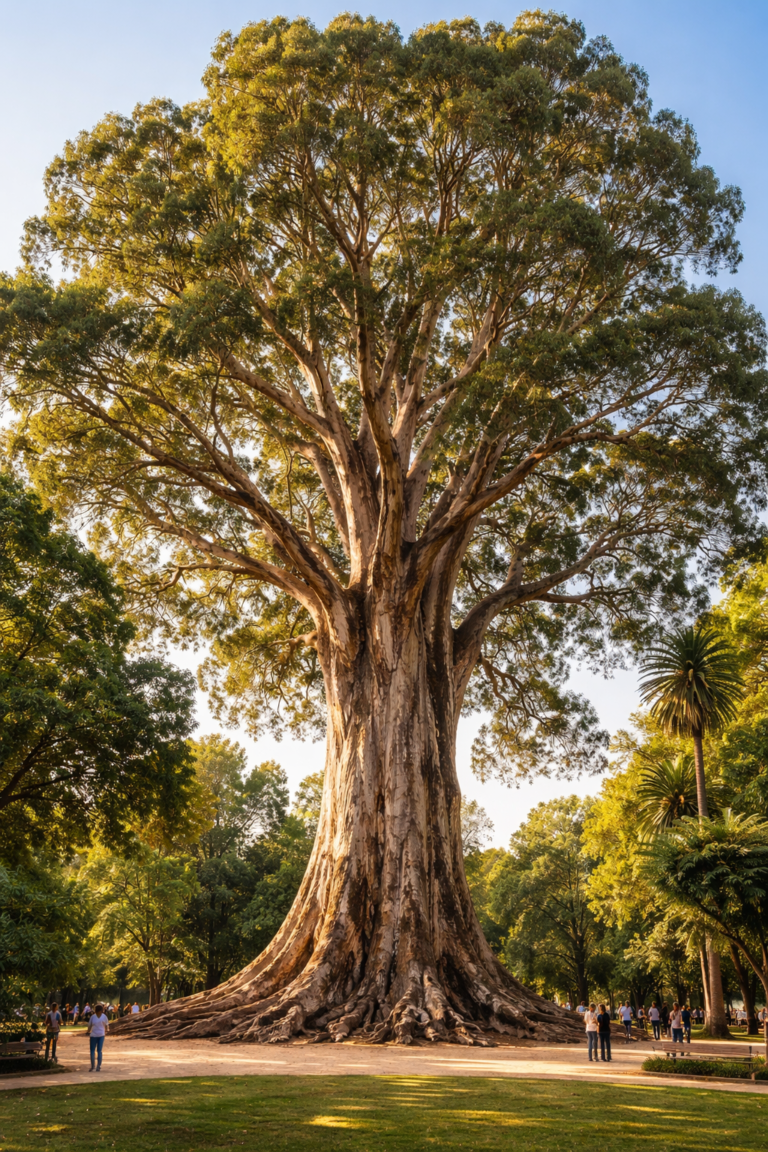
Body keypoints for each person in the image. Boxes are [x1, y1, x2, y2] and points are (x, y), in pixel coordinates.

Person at [87, 1003, 109, 1072]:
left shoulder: (93, 1017)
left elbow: (89, 1026)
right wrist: (106, 1030)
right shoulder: (104, 1017)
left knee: (93, 1051)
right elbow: (107, 1025)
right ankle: (98, 1066)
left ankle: (93, 1066)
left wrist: (88, 1031)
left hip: (94, 1035)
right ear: (101, 1010)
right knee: (99, 1051)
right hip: (101, 1035)